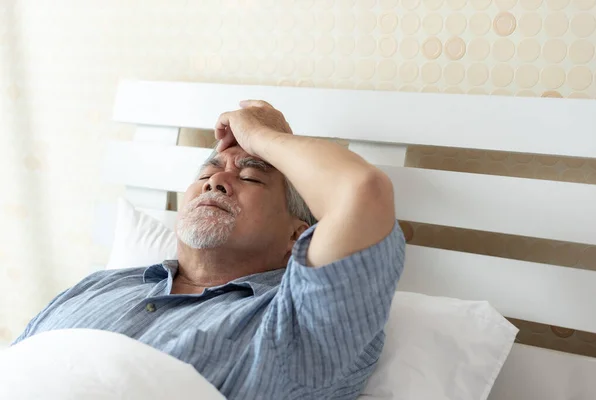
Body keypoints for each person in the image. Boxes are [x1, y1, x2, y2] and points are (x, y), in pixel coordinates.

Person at [12, 101, 406, 400]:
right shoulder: (99, 286)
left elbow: (362, 191)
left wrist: (264, 137)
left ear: (297, 235)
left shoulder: (299, 326)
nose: (217, 179)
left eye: (251, 175)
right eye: (206, 172)